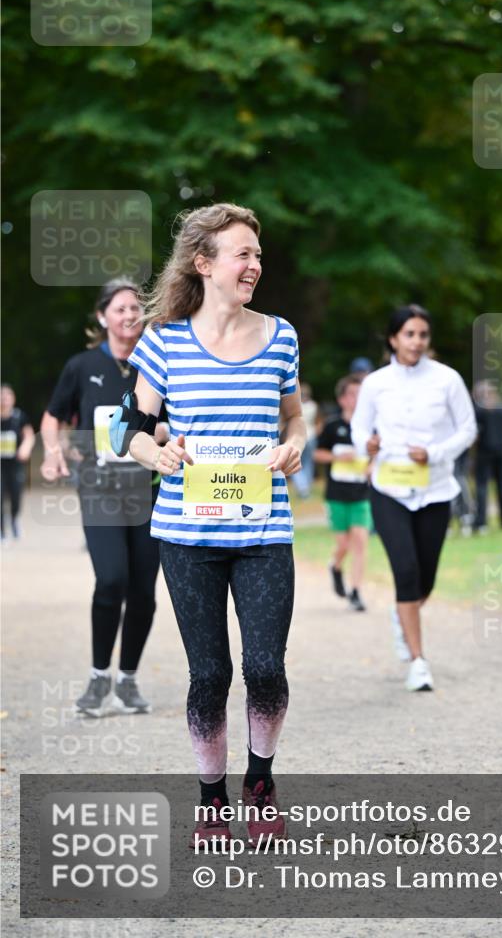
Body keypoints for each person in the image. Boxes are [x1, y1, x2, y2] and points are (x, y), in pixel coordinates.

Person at [125, 202, 305, 848]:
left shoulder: (280, 335)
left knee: (264, 667)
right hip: (187, 534)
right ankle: (210, 799)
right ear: (204, 263)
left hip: (262, 531)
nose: (254, 264)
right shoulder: (163, 339)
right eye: (242, 254)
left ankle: (259, 784)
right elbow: (133, 431)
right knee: (209, 674)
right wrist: (158, 452)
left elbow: (295, 419)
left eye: (258, 254)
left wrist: (294, 446)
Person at [40, 279, 162, 717]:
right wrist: (53, 453)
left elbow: (174, 423)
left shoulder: (158, 363)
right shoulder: (82, 365)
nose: (130, 315)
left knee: (144, 592)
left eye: (136, 308)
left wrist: (154, 434)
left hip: (149, 491)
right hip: (101, 490)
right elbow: (53, 417)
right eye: (121, 308)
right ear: (102, 316)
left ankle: (127, 679)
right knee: (112, 580)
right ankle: (98, 676)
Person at [351, 305, 477, 691]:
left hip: (435, 490)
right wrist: (366, 445)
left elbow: (468, 429)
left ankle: (403, 614)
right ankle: (418, 662)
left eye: (423, 334)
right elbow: (359, 428)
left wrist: (436, 452)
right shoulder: (375, 383)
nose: (417, 341)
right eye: (409, 334)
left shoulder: (447, 379)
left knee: (425, 579)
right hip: (388, 488)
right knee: (405, 572)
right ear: (393, 338)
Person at [315, 374, 371, 612]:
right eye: (352, 394)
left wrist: (372, 466)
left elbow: (378, 456)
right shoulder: (332, 426)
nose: (356, 398)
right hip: (336, 495)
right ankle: (335, 566)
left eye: (361, 394)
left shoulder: (370, 428)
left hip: (361, 495)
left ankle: (356, 592)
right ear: (342, 399)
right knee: (344, 544)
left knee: (360, 541)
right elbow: (317, 454)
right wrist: (337, 457)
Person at [472, 380, 502, 532]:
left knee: (481, 486)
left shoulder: (480, 409)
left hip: (484, 451)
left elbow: (475, 432)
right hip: (501, 450)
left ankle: (481, 522)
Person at [1, 384, 35, 541]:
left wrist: (25, 448)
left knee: (15, 495)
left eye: (7, 397)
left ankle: (14, 518)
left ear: (13, 399)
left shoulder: (19, 416)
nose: (4, 400)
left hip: (15, 463)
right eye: (2, 397)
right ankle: (1, 530)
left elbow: (29, 435)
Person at [291, 382, 318, 498]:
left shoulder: (296, 406)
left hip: (298, 436)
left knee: (295, 462)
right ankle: (306, 488)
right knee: (308, 463)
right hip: (311, 436)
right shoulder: (313, 405)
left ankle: (302, 488)